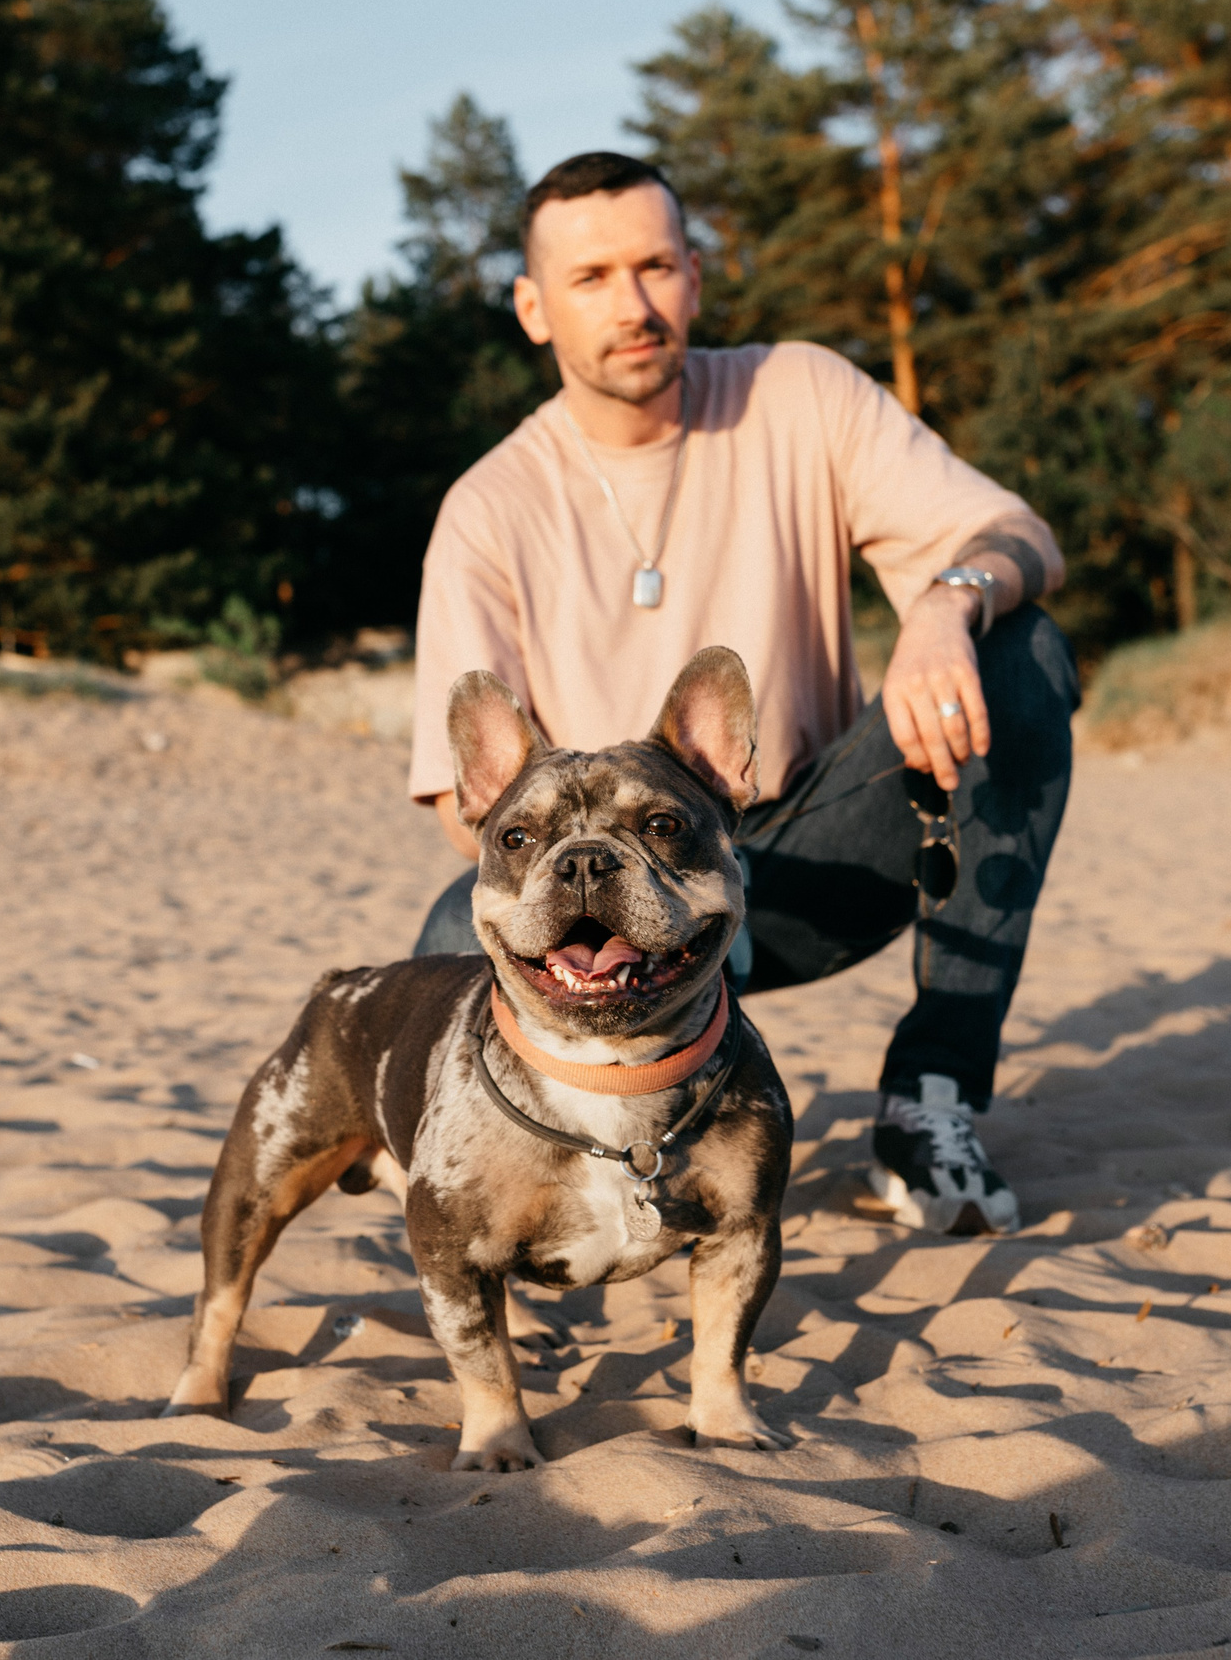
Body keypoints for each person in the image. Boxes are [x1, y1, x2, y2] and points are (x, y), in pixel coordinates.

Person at [406, 152, 1077, 1238]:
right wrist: (618, 871)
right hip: (609, 910)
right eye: (590, 278)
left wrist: (944, 607)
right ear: (532, 308)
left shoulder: (799, 393)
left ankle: (932, 1099)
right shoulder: (488, 506)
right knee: (453, 923)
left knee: (1020, 650)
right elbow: (462, 803)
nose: (632, 304)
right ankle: (545, 1148)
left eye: (655, 266)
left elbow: (1017, 535)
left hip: (817, 844)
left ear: (695, 275)